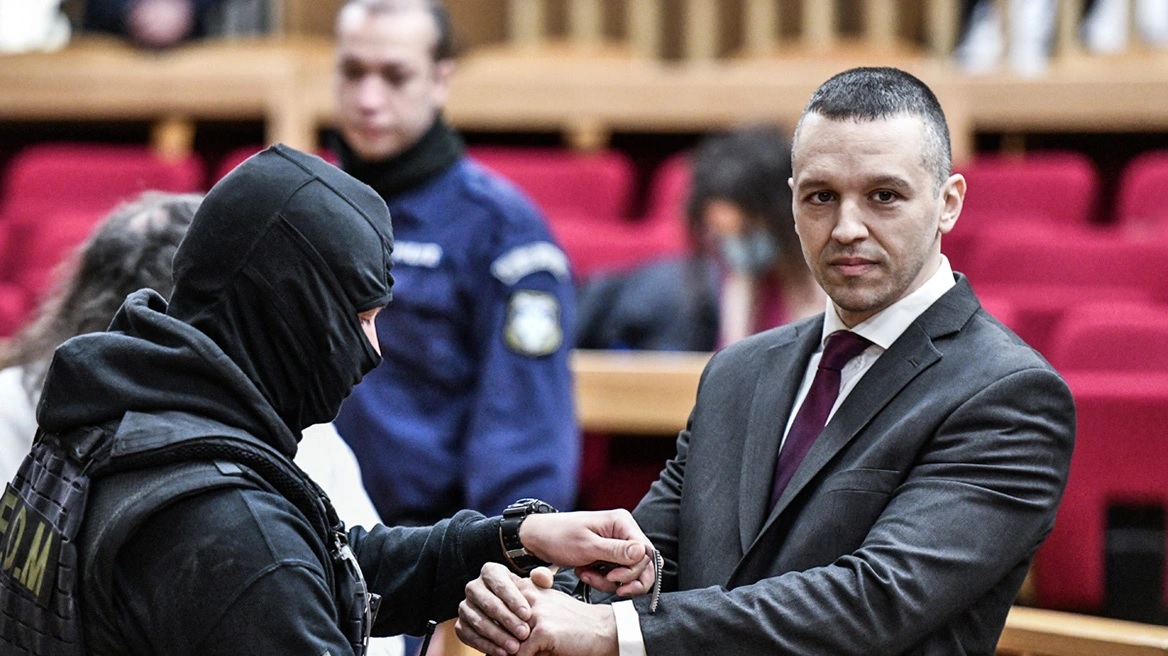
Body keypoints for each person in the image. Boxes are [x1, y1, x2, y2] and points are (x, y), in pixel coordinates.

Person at [457, 66, 1077, 656]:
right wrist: (532, 605)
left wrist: (609, 630)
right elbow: (640, 563)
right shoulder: (740, 371)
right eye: (821, 196)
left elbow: (875, 603)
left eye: (884, 196)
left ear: (948, 202)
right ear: (792, 203)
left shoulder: (1007, 392)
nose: (847, 227)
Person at [0, 144, 655, 655]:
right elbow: (271, 570)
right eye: (361, 317)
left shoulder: (115, 411)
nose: (374, 349)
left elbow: (329, 562)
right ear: (292, 315)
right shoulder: (231, 532)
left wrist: (516, 538)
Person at [329, 0, 580, 527]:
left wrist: (502, 552)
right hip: (300, 531)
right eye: (353, 72)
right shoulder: (303, 207)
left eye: (395, 76)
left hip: (429, 544)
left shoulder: (502, 230)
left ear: (440, 80)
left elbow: (525, 438)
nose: (368, 99)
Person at [575, 124, 823, 352]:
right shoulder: (703, 288)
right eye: (723, 234)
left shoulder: (824, 280)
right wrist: (741, 294)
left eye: (746, 232)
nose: (736, 245)